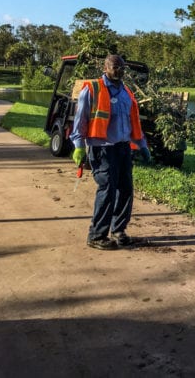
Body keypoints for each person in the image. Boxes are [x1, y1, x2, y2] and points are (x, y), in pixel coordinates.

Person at [71, 54, 151, 250]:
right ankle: (97, 235)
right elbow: (80, 121)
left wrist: (142, 145)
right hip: (102, 149)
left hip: (123, 148)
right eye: (115, 67)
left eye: (122, 68)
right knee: (107, 190)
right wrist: (79, 146)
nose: (119, 71)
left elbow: (134, 123)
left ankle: (119, 230)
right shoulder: (92, 89)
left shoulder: (127, 93)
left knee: (125, 190)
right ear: (105, 67)